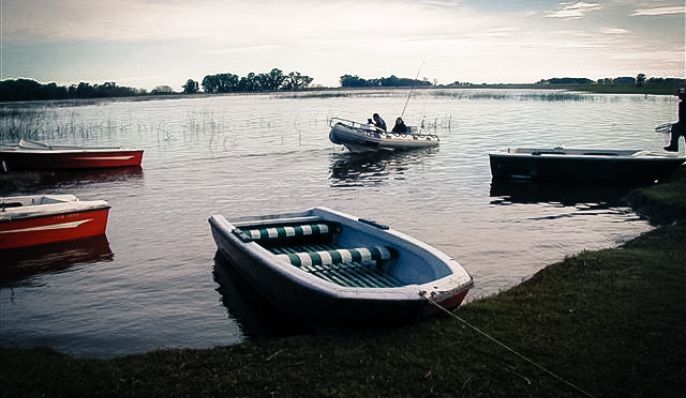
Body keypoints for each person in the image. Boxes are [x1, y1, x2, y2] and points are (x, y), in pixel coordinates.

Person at [664, 87, 686, 152]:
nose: (679, 96)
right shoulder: (682, 103)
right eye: (679, 95)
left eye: (681, 95)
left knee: (675, 128)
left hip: (683, 124)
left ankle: (674, 147)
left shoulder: (683, 104)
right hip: (683, 124)